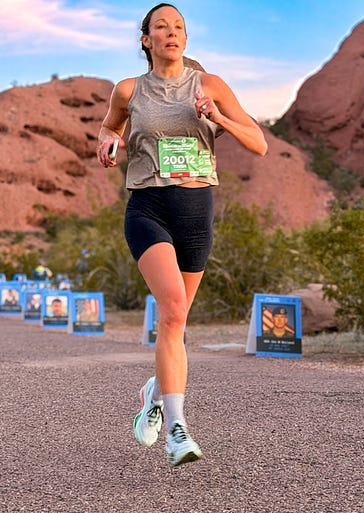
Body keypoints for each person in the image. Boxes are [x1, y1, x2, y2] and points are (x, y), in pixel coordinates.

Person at [97, 3, 267, 467]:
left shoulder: (210, 86)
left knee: (177, 323)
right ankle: (177, 429)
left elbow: (259, 143)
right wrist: (107, 140)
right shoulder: (129, 89)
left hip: (196, 209)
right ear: (146, 40)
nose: (171, 33)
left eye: (179, 28)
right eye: (160, 27)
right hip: (148, 206)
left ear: (186, 40)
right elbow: (111, 125)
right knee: (172, 310)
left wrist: (218, 116)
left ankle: (154, 390)